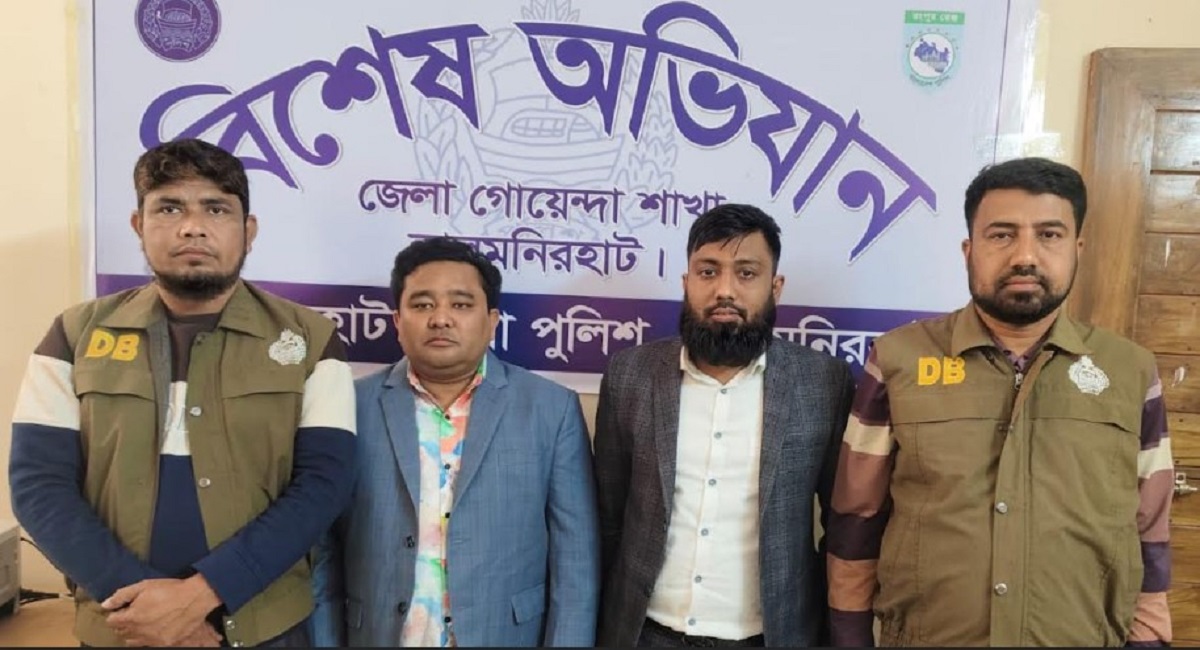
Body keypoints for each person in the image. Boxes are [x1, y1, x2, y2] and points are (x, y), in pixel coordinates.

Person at [8, 138, 357, 647]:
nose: (193, 226)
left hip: (265, 628)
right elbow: (37, 486)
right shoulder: (73, 336)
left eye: (216, 208)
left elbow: (325, 485)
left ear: (248, 230)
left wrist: (201, 597)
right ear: (139, 225)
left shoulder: (311, 340)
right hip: (122, 628)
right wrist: (148, 609)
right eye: (169, 208)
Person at [826, 157, 1173, 647]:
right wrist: (849, 637)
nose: (1025, 255)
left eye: (1049, 235)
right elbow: (854, 522)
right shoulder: (898, 358)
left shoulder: (1130, 371)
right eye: (1002, 235)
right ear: (968, 250)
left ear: (1077, 249)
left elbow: (1151, 532)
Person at [310, 236, 600, 647]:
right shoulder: (350, 406)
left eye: (461, 305)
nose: (441, 318)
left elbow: (576, 564)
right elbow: (321, 553)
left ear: (492, 320)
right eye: (422, 305)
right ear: (397, 321)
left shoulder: (551, 410)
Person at [593, 203, 856, 647]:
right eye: (708, 272)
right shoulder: (630, 375)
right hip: (646, 633)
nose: (725, 290)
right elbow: (607, 517)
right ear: (687, 282)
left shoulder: (823, 382)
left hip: (770, 636)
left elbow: (841, 526)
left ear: (775, 287)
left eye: (746, 273)